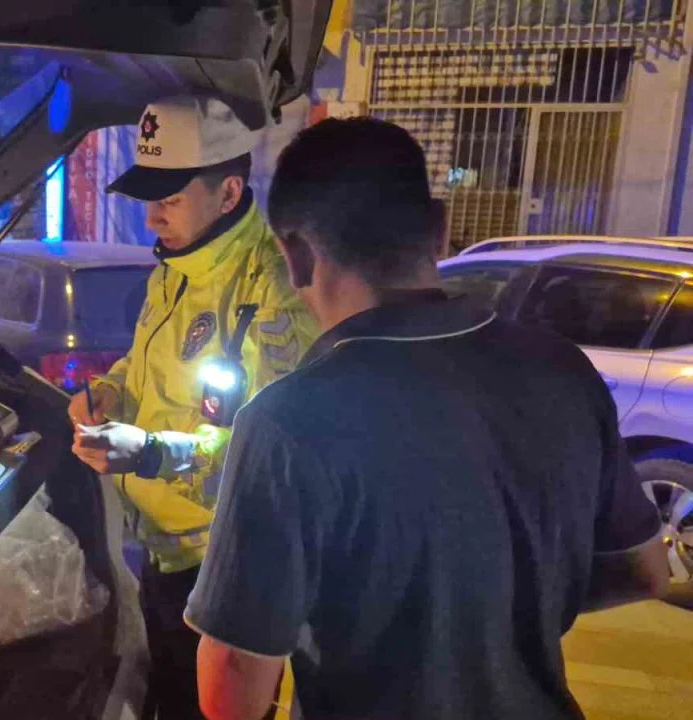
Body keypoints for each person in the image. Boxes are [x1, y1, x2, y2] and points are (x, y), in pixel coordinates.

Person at [184, 117, 670, 720]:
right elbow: (647, 572)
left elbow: (232, 690)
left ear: (297, 257)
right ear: (440, 230)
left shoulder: (288, 421)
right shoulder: (563, 370)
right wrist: (507, 613)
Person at [67, 95, 317, 720]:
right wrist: (109, 392)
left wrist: (151, 454)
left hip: (225, 566)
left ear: (228, 193)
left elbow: (266, 453)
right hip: (161, 551)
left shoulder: (272, 288)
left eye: (170, 199)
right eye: (148, 198)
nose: (152, 217)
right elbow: (143, 365)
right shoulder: (173, 268)